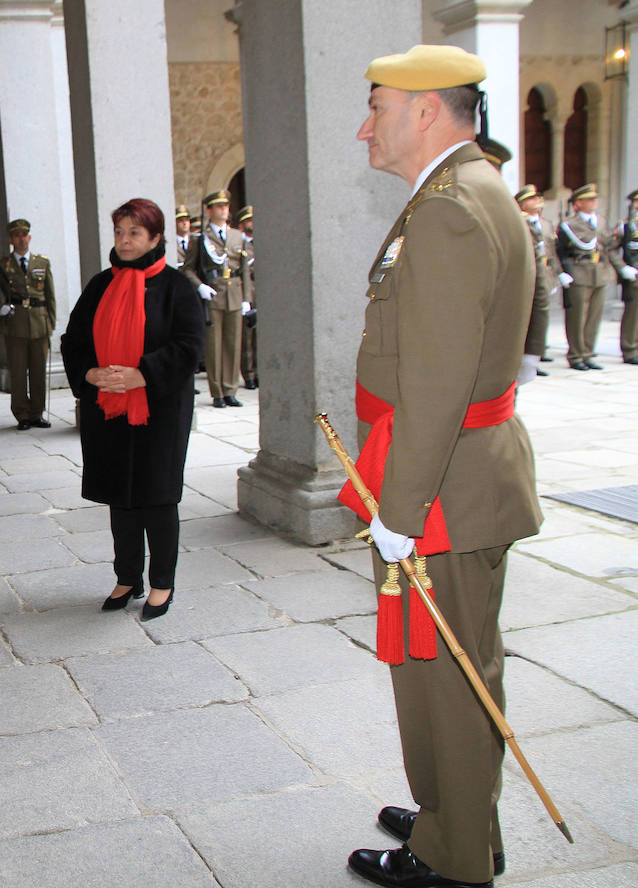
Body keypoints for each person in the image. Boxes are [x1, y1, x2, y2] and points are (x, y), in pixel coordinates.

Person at [347, 44, 542, 888]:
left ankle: (456, 857)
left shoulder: (453, 208)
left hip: (443, 490)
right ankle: (455, 814)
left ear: (427, 109)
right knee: (447, 666)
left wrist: (397, 510)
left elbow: (434, 381)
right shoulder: (462, 192)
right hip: (452, 478)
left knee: (447, 674)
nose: (365, 128)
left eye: (378, 107)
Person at [60, 197, 205, 622]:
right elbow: (73, 340)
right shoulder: (100, 284)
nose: (124, 241)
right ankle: (127, 577)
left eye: (134, 233)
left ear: (156, 237)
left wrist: (142, 375)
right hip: (109, 412)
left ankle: (162, 583)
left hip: (157, 411)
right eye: (120, 232)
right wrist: (89, 374)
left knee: (157, 499)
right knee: (120, 500)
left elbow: (189, 346)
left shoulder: (178, 288)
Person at [0, 219, 56, 430]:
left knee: (38, 371)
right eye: (16, 235)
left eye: (24, 234)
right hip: (15, 324)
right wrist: (0, 308)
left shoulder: (41, 263)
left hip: (39, 322)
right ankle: (22, 414)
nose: (21, 238)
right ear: (11, 240)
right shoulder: (2, 264)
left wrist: (50, 322)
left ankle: (37, 413)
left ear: (29, 237)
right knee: (18, 372)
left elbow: (49, 294)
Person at [185, 190, 248, 408]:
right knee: (214, 345)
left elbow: (245, 270)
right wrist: (200, 286)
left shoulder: (236, 236)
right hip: (213, 293)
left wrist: (246, 297)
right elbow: (188, 269)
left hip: (235, 292)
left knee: (233, 344)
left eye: (226, 206)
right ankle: (218, 392)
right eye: (218, 206)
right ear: (209, 210)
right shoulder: (200, 239)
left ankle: (230, 390)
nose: (223, 209)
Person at [557, 183, 626, 370]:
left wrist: (620, 268)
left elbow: (609, 248)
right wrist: (562, 272)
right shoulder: (569, 225)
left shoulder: (601, 221)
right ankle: (575, 355)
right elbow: (559, 251)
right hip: (579, 272)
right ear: (577, 204)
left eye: (594, 199)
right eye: (589, 199)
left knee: (594, 316)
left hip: (600, 273)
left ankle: (587, 353)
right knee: (577, 316)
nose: (594, 202)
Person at [514, 184, 559, 380]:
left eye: (537, 198)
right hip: (527, 277)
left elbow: (551, 253)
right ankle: (526, 356)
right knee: (527, 318)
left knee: (540, 317)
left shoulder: (545, 224)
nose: (536, 201)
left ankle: (534, 355)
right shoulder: (519, 222)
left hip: (543, 274)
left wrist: (556, 275)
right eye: (531, 198)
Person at [235, 205, 258, 389]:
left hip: (261, 292)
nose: (252, 223)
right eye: (248, 220)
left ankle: (259, 371)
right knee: (247, 337)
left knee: (260, 335)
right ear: (242, 225)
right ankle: (249, 373)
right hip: (247, 290)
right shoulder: (240, 244)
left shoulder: (260, 242)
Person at [619, 188, 638, 364]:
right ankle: (629, 349)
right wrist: (623, 267)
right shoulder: (626, 225)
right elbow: (610, 248)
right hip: (634, 275)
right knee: (632, 315)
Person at [173, 205, 196, 273]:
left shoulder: (196, 240)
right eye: (180, 220)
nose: (184, 223)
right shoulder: (171, 243)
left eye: (187, 220)